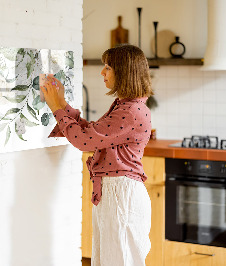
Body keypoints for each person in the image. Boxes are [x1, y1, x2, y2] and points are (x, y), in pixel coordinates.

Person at [41, 44, 153, 266]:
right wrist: (62, 103)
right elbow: (92, 133)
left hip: (121, 195)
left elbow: (84, 141)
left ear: (124, 72)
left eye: (108, 67)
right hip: (116, 193)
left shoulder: (130, 111)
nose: (102, 72)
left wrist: (56, 108)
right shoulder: (126, 106)